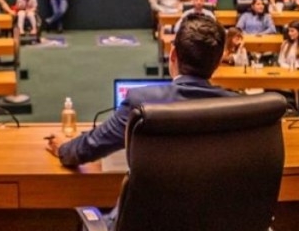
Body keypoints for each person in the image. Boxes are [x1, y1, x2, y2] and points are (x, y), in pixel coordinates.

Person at [49, 14, 234, 167]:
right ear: (218, 62)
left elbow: (88, 148)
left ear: (173, 54)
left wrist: (63, 148)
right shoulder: (240, 108)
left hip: (153, 211)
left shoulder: (142, 102)